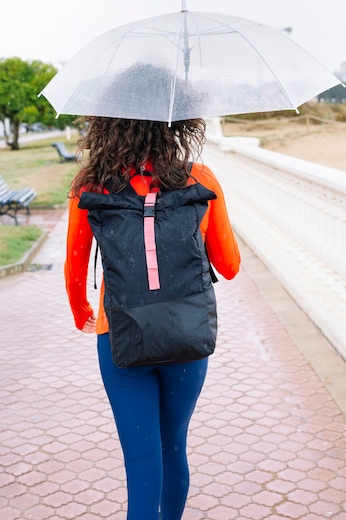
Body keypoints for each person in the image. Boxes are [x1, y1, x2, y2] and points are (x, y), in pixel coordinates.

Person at [64, 115, 241, 520]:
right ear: (174, 122)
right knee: (172, 446)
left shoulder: (90, 185)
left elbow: (75, 270)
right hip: (187, 336)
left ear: (105, 123)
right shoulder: (200, 178)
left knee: (141, 463)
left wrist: (83, 314)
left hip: (120, 337)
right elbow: (229, 267)